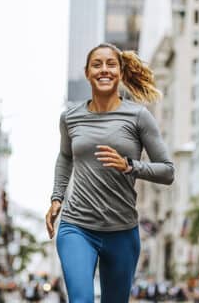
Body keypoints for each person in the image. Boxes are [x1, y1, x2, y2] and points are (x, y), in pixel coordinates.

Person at [45, 43, 175, 303]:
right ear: (87, 73)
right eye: (97, 64)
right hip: (77, 226)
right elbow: (66, 156)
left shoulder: (139, 116)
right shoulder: (70, 118)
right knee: (81, 300)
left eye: (110, 64)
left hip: (122, 230)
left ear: (121, 71)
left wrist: (130, 165)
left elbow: (168, 171)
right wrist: (57, 197)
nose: (104, 70)